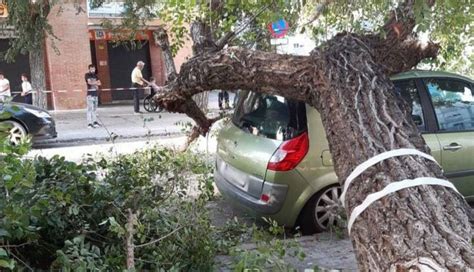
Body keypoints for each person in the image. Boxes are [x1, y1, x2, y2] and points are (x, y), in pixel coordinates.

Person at [85, 64, 101, 128]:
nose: (93, 70)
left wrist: (95, 83)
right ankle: (89, 123)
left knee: (95, 108)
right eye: (91, 69)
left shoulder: (96, 76)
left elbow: (100, 83)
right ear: (89, 69)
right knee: (89, 109)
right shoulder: (87, 75)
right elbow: (89, 82)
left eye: (93, 69)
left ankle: (95, 122)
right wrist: (96, 83)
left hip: (95, 94)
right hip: (90, 94)